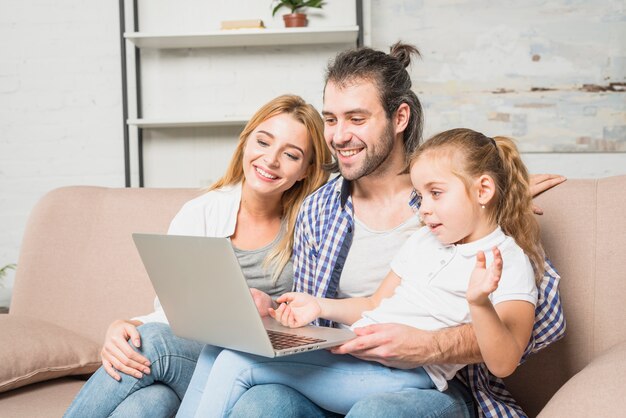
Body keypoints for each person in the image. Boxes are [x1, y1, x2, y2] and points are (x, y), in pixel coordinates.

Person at [180, 43, 566, 418]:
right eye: (331, 119)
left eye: (357, 118)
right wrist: (296, 307)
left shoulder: (448, 205)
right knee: (248, 386)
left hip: (435, 385)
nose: (339, 135)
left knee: (371, 408)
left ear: (399, 118)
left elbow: (531, 330)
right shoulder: (320, 209)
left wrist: (432, 344)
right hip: (346, 362)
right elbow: (370, 305)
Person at [63, 94, 332, 418]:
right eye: (263, 142)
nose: (271, 160)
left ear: (305, 170)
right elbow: (173, 311)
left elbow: (322, 316)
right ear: (246, 143)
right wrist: (125, 325)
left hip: (269, 369)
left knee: (150, 359)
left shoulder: (313, 223)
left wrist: (269, 310)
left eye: (290, 154)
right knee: (147, 402)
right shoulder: (201, 212)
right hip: (200, 363)